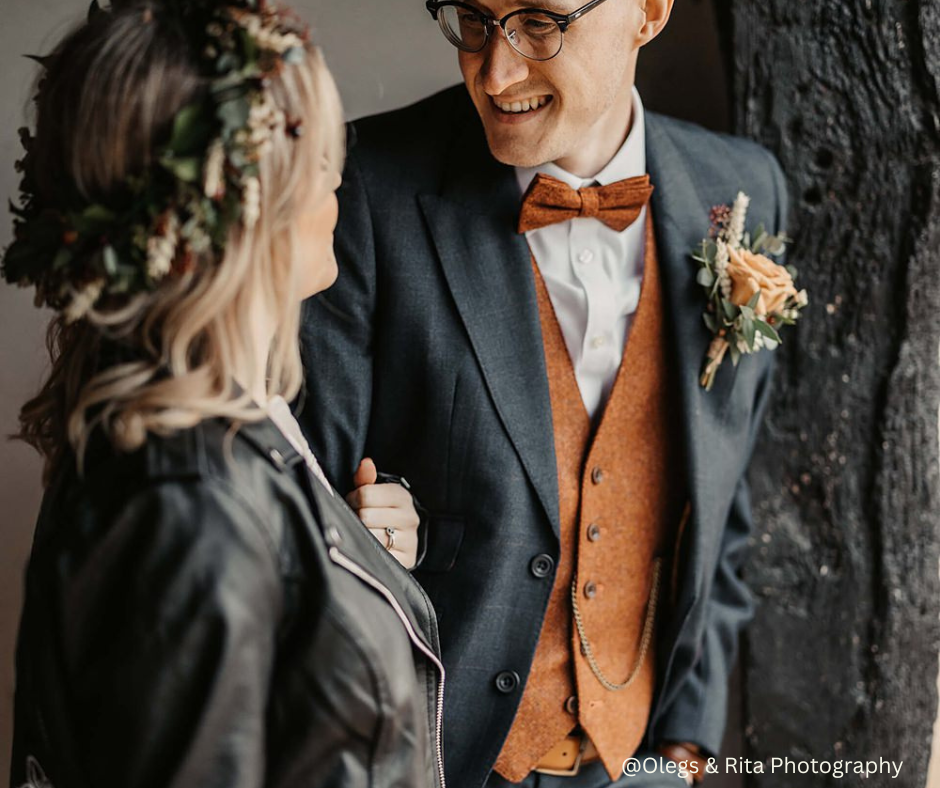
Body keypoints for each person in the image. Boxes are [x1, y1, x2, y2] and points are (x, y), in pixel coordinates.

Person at [298, 0, 792, 786]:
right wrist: (374, 537)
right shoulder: (366, 185)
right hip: (431, 759)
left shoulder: (741, 192)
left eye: (540, 21)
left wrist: (683, 753)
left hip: (638, 758)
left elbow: (724, 513)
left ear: (650, 12)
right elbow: (304, 530)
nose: (493, 71)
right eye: (472, 16)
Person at [5, 1, 441, 786]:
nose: (340, 176)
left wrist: (352, 560)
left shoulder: (215, 436)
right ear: (238, 212)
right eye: (315, 156)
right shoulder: (185, 507)